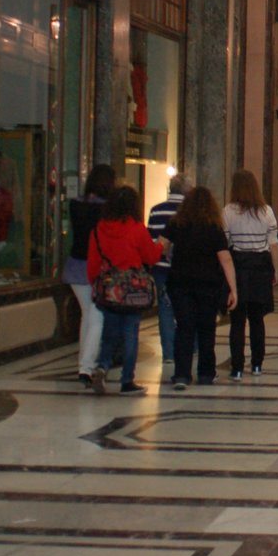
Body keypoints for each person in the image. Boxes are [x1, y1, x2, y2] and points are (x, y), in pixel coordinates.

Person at [85, 185, 162, 395]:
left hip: (110, 290)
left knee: (109, 334)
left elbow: (92, 264)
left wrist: (97, 285)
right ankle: (127, 380)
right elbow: (151, 257)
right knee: (130, 335)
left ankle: (102, 366)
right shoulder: (136, 229)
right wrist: (162, 245)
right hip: (132, 291)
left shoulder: (99, 230)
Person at [158, 186, 237, 389]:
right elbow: (225, 259)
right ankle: (205, 373)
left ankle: (182, 375)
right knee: (206, 328)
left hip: (180, 283)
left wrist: (167, 255)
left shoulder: (177, 223)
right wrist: (233, 288)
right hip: (208, 284)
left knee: (184, 328)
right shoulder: (213, 227)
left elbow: (161, 244)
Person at [223, 169, 278, 379]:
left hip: (238, 266)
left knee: (237, 320)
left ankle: (237, 367)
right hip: (260, 267)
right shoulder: (266, 212)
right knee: (257, 319)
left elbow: (226, 244)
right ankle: (257, 364)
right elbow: (273, 245)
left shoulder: (228, 212)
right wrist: (276, 270)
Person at [65, 164, 115, 388]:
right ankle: (86, 367)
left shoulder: (75, 204)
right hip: (95, 267)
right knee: (97, 317)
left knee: (87, 315)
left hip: (75, 265)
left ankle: (83, 364)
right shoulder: (106, 209)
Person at [144, 174, 188, 373]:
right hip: (184, 269)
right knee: (188, 309)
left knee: (165, 309)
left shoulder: (156, 210)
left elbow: (153, 241)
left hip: (161, 268)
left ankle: (169, 354)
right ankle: (190, 348)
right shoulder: (190, 212)